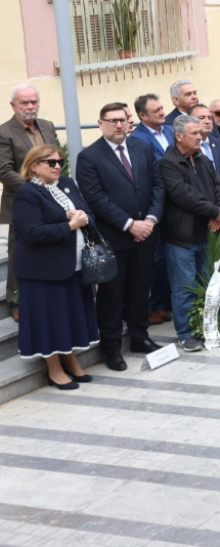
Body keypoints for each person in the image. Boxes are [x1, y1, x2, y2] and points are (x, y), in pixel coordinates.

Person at [76, 103, 164, 371]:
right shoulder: (89, 157)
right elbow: (96, 199)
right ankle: (112, 348)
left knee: (140, 290)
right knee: (112, 296)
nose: (118, 125)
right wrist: (129, 224)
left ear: (129, 123)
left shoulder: (143, 148)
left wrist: (149, 220)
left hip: (146, 234)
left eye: (122, 120)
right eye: (112, 120)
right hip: (115, 237)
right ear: (100, 124)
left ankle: (140, 337)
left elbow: (158, 185)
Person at [12, 144, 97, 389]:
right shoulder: (27, 193)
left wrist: (83, 217)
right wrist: (71, 225)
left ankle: (71, 361)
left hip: (73, 265)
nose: (57, 166)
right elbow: (32, 233)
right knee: (48, 320)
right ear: (34, 166)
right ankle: (54, 369)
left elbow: (87, 211)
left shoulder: (66, 185)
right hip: (42, 271)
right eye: (50, 162)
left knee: (67, 317)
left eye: (59, 161)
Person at [159, 115, 220, 353]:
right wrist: (214, 211)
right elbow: (182, 194)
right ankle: (186, 334)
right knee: (183, 287)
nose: (201, 137)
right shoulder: (168, 163)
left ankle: (205, 327)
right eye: (194, 134)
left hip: (207, 232)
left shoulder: (202, 158)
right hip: (182, 236)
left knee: (207, 284)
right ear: (179, 136)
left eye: (200, 133)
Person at [0, 84, 60, 319]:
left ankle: (45, 291)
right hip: (21, 200)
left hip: (50, 198)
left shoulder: (47, 126)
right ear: (13, 105)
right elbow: (4, 170)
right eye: (24, 103)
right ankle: (15, 301)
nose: (30, 106)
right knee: (19, 249)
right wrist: (34, 190)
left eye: (34, 101)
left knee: (48, 245)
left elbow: (55, 160)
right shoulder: (4, 133)